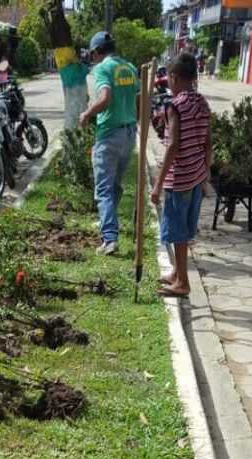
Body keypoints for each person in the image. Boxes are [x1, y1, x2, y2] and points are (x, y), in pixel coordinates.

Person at [150, 52, 212, 298]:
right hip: (196, 177)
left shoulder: (174, 106)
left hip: (179, 179)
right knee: (183, 230)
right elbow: (208, 143)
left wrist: (158, 183)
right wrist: (205, 176)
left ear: (173, 77)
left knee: (177, 231)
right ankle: (177, 272)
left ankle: (183, 282)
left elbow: (173, 145)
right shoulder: (202, 103)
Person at [79, 31, 139, 256]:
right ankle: (108, 222)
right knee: (114, 185)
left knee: (103, 188)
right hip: (129, 133)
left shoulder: (103, 69)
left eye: (91, 54)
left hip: (109, 134)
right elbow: (140, 99)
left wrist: (87, 114)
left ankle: (110, 238)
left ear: (96, 52)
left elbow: (105, 99)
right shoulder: (130, 68)